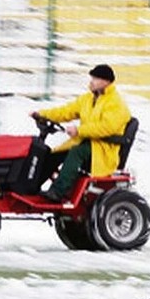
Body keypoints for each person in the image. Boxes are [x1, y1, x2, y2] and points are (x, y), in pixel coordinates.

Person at [29, 64, 131, 202]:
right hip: (87, 142)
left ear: (106, 82)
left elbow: (107, 127)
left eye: (95, 78)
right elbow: (66, 111)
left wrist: (79, 130)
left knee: (76, 152)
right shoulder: (87, 99)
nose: (91, 81)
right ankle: (31, 188)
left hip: (103, 148)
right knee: (53, 154)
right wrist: (42, 114)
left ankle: (58, 192)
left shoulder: (116, 103)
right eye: (92, 78)